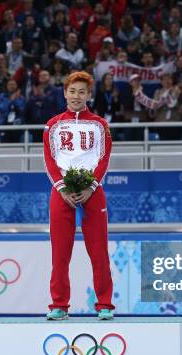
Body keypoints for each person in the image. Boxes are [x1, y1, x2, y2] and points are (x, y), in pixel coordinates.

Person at [43, 71, 114, 321]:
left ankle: (104, 303)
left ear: (89, 95)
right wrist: (62, 188)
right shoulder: (53, 125)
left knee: (99, 251)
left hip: (91, 192)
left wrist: (90, 187)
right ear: (64, 93)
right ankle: (59, 304)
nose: (76, 96)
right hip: (61, 193)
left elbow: (104, 159)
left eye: (81, 92)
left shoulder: (100, 125)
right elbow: (50, 161)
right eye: (72, 91)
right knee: (60, 253)